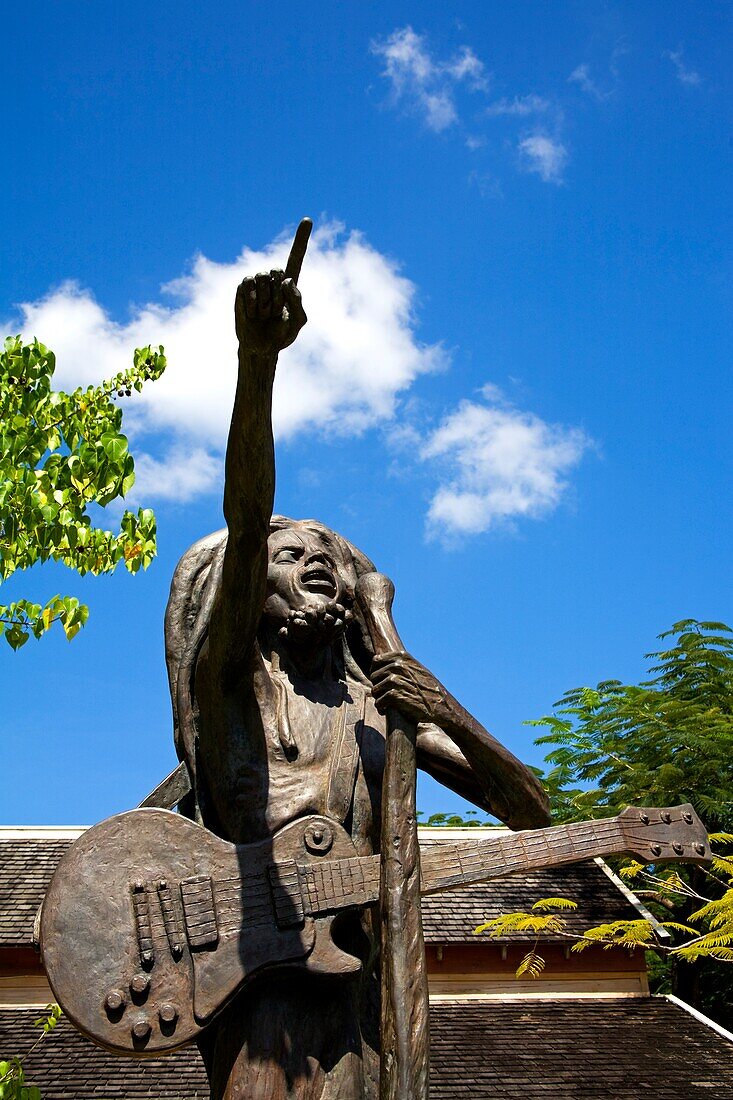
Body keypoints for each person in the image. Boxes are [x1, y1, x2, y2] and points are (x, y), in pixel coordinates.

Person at [164, 262, 550, 1099]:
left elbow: (531, 811)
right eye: (289, 554)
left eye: (328, 559)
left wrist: (443, 707)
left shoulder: (382, 713)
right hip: (265, 1006)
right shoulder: (232, 682)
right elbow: (244, 503)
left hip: (368, 999)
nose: (317, 566)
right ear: (247, 588)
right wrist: (257, 364)